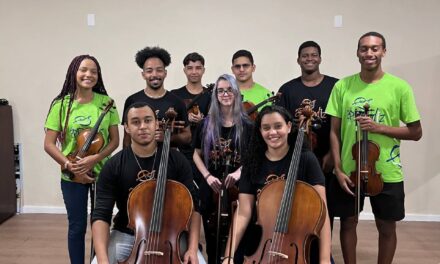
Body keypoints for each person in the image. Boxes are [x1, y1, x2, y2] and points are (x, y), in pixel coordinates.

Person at [326, 31, 422, 264]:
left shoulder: (399, 87)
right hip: (349, 170)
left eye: (375, 48)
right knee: (348, 223)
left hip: (386, 169)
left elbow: (415, 132)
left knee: (386, 226)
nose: (369, 53)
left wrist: (379, 127)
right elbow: (334, 132)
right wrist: (337, 169)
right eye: (364, 48)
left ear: (383, 52)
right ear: (357, 53)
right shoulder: (343, 86)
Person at [91, 102, 205, 264]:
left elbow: (194, 208)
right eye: (136, 122)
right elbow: (101, 214)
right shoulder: (114, 165)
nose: (143, 126)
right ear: (127, 128)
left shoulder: (178, 161)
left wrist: (193, 249)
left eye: (148, 120)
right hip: (127, 234)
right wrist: (102, 260)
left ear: (156, 124)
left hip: (172, 235)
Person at [222, 105, 331, 264]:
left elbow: (323, 213)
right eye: (266, 128)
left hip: (300, 238)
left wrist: (325, 259)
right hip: (263, 239)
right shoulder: (252, 163)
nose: (272, 132)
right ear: (260, 131)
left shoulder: (307, 160)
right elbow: (244, 212)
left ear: (288, 127)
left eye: (278, 126)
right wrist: (228, 256)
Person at [44, 55, 120, 264]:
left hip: (101, 174)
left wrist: (96, 158)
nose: (89, 75)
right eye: (84, 70)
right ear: (74, 72)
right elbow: (49, 144)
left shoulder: (106, 103)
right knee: (77, 226)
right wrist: (71, 165)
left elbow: (115, 141)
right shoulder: (61, 105)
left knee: (101, 223)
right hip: (71, 175)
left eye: (94, 71)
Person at [276, 41, 339, 239]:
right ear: (298, 60)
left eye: (314, 55)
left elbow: (341, 126)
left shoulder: (335, 86)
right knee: (297, 206)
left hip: (326, 158)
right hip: (297, 157)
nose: (309, 59)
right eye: (305, 55)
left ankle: (323, 249)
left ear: (320, 58)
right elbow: (280, 126)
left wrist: (333, 155)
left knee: (326, 206)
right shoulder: (287, 89)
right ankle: (300, 245)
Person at [193, 74, 253, 264]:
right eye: (220, 90)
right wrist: (207, 176)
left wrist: (239, 172)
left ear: (236, 92)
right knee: (213, 241)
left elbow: (255, 157)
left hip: (238, 189)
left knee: (238, 241)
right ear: (215, 95)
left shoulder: (248, 126)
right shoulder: (206, 124)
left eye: (229, 90)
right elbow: (195, 153)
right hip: (211, 189)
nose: (225, 94)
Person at [122, 46, 191, 147]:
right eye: (149, 71)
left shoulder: (177, 102)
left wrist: (167, 138)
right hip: (140, 158)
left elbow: (188, 136)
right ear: (143, 74)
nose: (154, 74)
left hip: (168, 159)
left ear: (165, 73)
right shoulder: (132, 100)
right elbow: (127, 138)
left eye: (159, 70)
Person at [171, 52, 212, 184]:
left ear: (203, 70)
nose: (194, 72)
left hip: (204, 153)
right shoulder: (175, 95)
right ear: (184, 70)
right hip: (180, 151)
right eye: (190, 68)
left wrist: (204, 120)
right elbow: (169, 123)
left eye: (198, 68)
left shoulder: (211, 95)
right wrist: (185, 117)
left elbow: (217, 122)